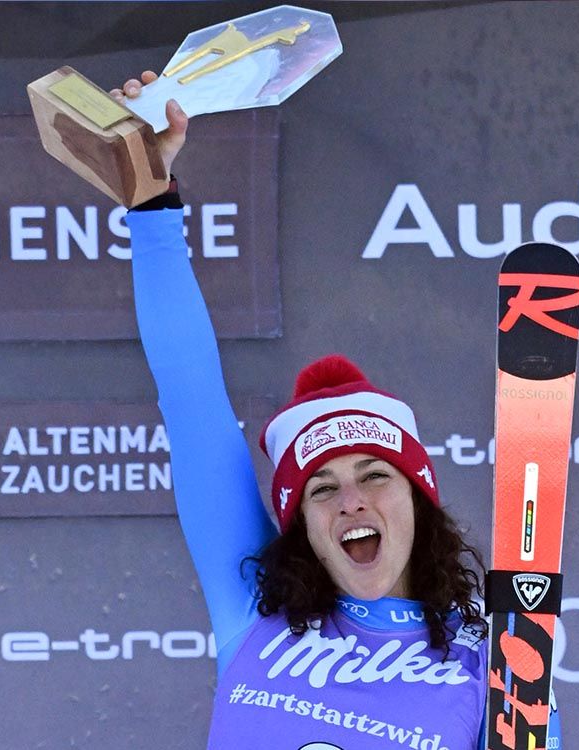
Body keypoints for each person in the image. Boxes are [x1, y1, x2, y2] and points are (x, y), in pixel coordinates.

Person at [112, 71, 556, 750]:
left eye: (375, 474)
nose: (350, 500)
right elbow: (191, 397)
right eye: (322, 487)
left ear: (418, 499)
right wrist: (149, 198)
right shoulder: (256, 613)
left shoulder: (491, 670)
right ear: (302, 527)